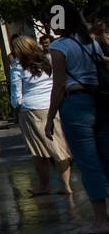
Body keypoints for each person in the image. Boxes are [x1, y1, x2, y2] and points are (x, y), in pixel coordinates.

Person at [46, 1, 109, 234]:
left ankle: (101, 220)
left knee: (88, 162)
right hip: (99, 102)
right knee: (106, 156)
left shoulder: (59, 46)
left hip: (76, 104)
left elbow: (59, 85)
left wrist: (50, 117)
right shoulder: (91, 42)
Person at [10, 35, 73, 196]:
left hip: (32, 110)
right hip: (53, 106)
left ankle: (45, 186)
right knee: (59, 147)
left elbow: (16, 96)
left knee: (38, 151)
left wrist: (16, 106)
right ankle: (66, 185)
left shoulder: (17, 66)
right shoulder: (48, 60)